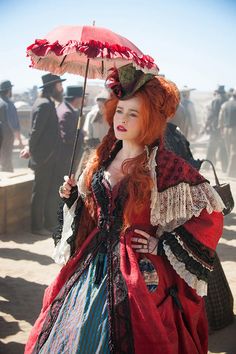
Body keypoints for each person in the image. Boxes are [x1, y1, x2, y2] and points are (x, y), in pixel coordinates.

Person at [25, 64, 224, 354]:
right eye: (120, 110)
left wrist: (163, 243)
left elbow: (209, 215)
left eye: (134, 114)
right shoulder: (100, 159)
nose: (122, 119)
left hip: (141, 277)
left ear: (149, 122)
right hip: (91, 265)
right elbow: (92, 212)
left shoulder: (166, 167)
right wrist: (72, 199)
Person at [20, 73, 65, 235]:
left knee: (46, 191)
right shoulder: (44, 104)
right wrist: (30, 149)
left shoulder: (46, 103)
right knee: (40, 192)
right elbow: (36, 131)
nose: (62, 88)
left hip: (47, 157)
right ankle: (37, 227)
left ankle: (46, 223)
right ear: (53, 87)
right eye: (59, 85)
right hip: (43, 159)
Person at [56, 85, 84, 178]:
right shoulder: (67, 113)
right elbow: (68, 138)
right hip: (66, 158)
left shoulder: (62, 106)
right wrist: (82, 135)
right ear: (77, 99)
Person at [0, 80, 23, 172]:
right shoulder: (8, 104)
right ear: (9, 90)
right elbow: (14, 124)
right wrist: (20, 140)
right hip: (6, 136)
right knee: (7, 159)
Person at [205, 85, 228, 172]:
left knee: (211, 147)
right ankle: (225, 168)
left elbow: (211, 114)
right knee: (223, 148)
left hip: (215, 127)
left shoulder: (215, 100)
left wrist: (207, 125)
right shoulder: (226, 100)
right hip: (223, 127)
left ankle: (207, 166)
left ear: (217, 92)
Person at [218, 87, 236, 177]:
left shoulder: (225, 104)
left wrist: (221, 129)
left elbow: (220, 118)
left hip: (225, 130)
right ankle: (231, 173)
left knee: (229, 150)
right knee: (234, 151)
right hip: (234, 130)